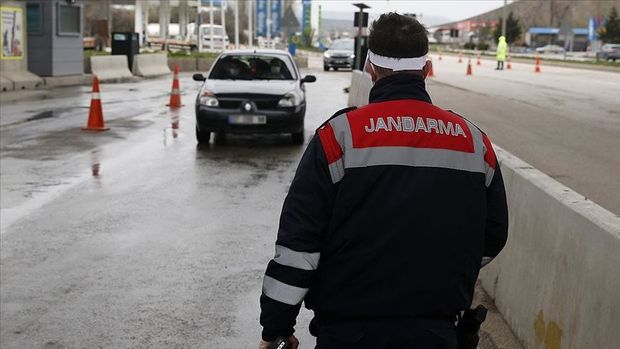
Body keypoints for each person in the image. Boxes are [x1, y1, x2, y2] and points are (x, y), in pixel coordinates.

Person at [259, 13, 508, 349]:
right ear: (426, 69)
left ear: (370, 68)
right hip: (436, 333)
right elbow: (492, 235)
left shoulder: (338, 137)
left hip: (347, 333)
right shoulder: (474, 141)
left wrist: (277, 326)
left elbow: (298, 246)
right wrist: (442, 264)